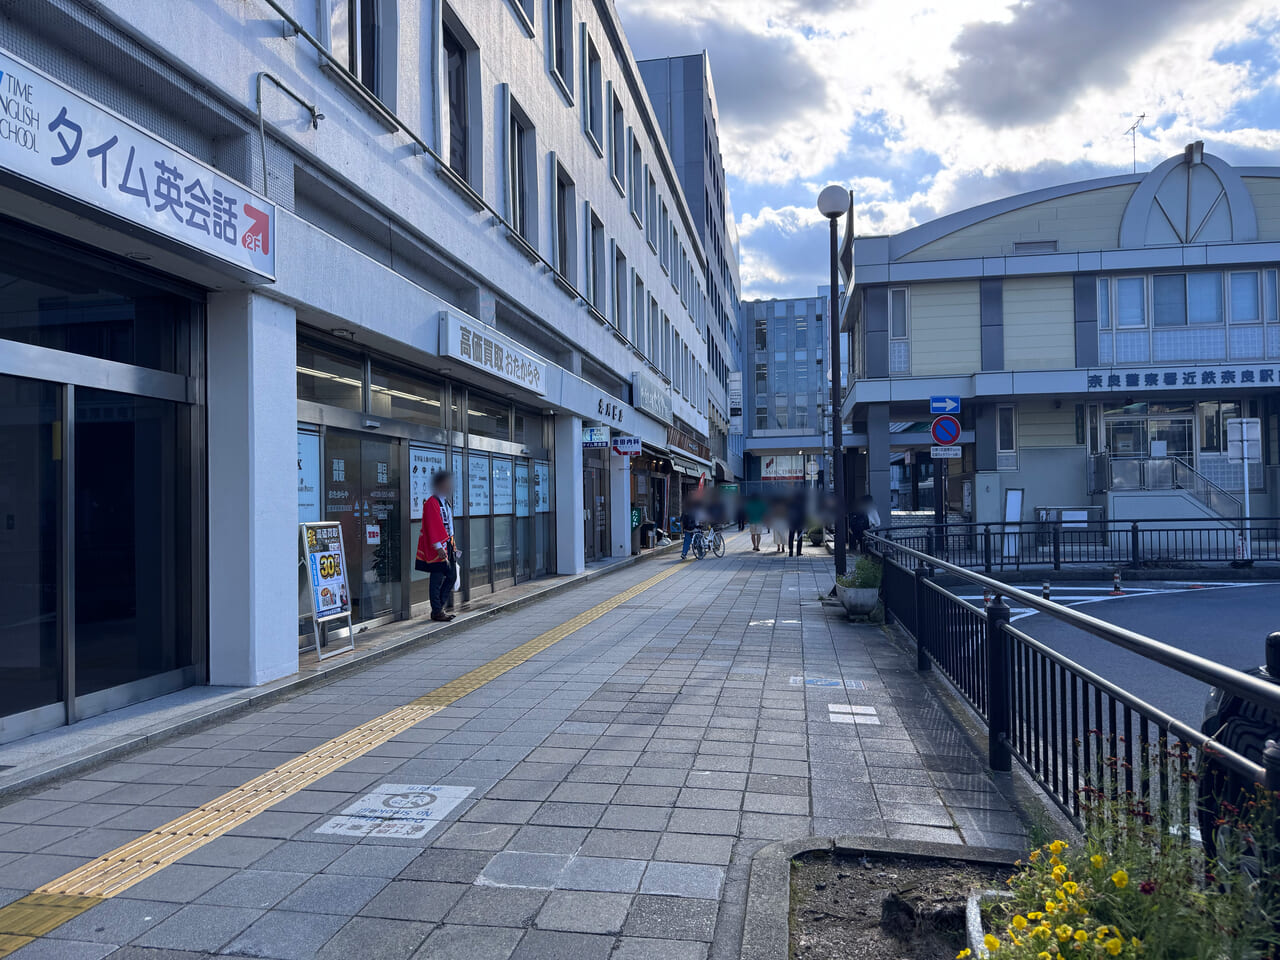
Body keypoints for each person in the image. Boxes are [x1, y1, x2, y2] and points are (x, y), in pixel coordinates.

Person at [415, 471, 457, 622]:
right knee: (437, 578)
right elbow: (432, 526)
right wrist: (438, 547)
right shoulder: (431, 503)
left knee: (452, 575)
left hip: (448, 543)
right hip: (438, 546)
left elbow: (449, 525)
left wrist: (453, 544)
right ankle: (437, 610)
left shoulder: (445, 501)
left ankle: (438, 607)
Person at [787, 487, 807, 557]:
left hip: (792, 522)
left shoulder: (791, 504)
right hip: (800, 523)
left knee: (791, 536)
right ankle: (798, 552)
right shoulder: (802, 504)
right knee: (799, 537)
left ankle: (790, 551)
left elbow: (788, 513)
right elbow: (804, 514)